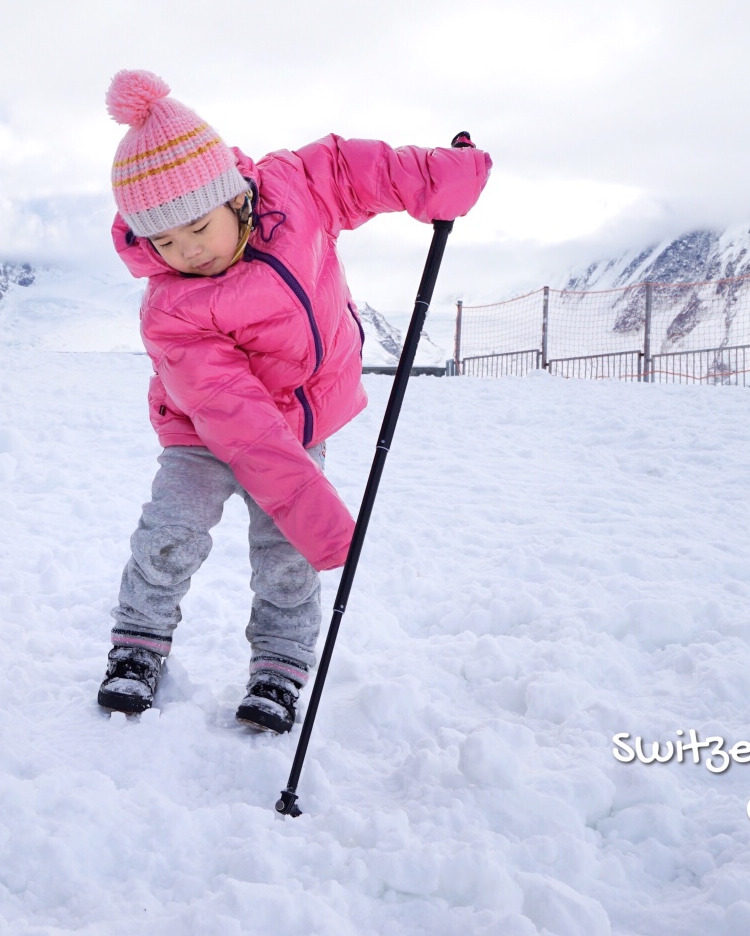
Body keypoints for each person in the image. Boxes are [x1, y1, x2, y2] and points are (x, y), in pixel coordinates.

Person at [96, 69, 490, 732]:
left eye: (196, 226)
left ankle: (279, 664)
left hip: (301, 419)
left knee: (286, 551)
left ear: (234, 195)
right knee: (173, 528)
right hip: (206, 429)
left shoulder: (297, 187)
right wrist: (320, 513)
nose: (186, 251)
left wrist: (438, 179)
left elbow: (362, 170)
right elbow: (241, 425)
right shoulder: (173, 309)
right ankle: (138, 641)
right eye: (163, 241)